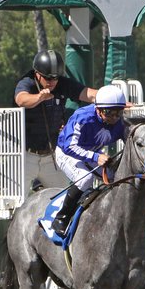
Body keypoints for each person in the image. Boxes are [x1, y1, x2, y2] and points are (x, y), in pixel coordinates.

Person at [15, 50, 97, 192]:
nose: (52, 82)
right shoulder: (27, 82)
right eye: (48, 78)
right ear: (37, 74)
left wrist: (116, 100)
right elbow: (21, 99)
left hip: (51, 156)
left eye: (55, 78)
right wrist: (39, 97)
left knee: (61, 196)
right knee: (17, 200)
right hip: (26, 156)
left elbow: (88, 94)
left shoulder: (61, 83)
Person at [51, 84, 127, 237]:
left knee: (115, 178)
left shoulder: (119, 123)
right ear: (97, 108)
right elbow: (69, 146)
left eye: (118, 113)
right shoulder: (82, 117)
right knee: (85, 178)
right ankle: (61, 218)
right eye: (109, 113)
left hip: (92, 153)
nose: (114, 118)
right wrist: (95, 157)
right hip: (67, 153)